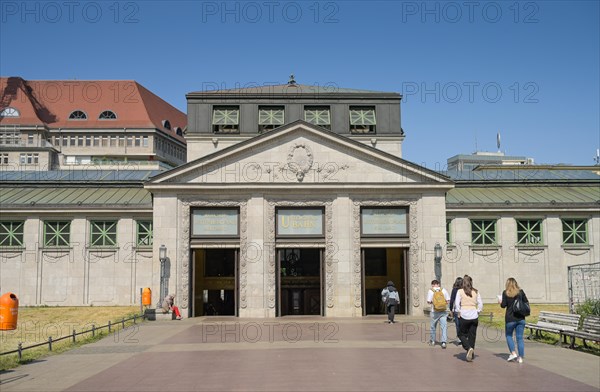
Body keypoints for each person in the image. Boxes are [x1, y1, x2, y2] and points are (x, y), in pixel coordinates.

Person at [500, 277, 529, 364]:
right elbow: (526, 302)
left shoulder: (505, 293)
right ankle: (520, 357)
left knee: (509, 335)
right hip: (520, 318)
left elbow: (503, 305)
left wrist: (500, 302)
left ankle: (513, 353)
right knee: (519, 338)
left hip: (510, 319)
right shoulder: (521, 292)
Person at [454, 275, 482, 362]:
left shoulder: (460, 291)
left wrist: (458, 311)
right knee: (472, 336)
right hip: (474, 315)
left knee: (460, 334)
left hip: (464, 315)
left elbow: (457, 303)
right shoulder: (476, 291)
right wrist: (477, 311)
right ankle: (471, 354)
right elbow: (480, 303)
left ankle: (468, 348)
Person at [426, 279, 450, 348]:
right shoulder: (443, 290)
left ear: (432, 284)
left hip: (434, 311)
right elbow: (448, 300)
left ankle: (433, 341)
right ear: (438, 284)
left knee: (433, 326)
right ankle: (443, 342)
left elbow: (428, 301)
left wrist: (434, 303)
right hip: (443, 311)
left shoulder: (431, 290)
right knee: (444, 326)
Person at [449, 276, 464, 344]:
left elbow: (452, 300)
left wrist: (451, 309)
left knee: (458, 324)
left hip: (457, 310)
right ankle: (464, 336)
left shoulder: (454, 290)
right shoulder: (464, 290)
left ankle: (459, 337)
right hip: (464, 308)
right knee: (463, 323)